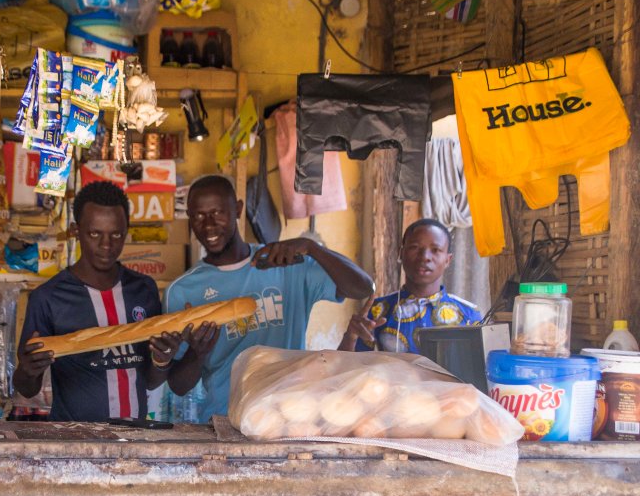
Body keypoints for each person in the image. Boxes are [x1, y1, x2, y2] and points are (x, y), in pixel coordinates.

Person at [163, 175, 374, 422]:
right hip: (225, 422)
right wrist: (197, 354)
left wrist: (312, 247)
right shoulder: (183, 291)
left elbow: (362, 288)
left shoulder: (286, 265)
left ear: (238, 209)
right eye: (198, 215)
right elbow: (178, 385)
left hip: (291, 417)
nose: (208, 224)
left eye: (218, 212)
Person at [13, 181, 184, 422]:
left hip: (135, 438)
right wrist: (28, 370)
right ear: (76, 230)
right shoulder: (48, 298)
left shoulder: (143, 289)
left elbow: (149, 379)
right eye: (95, 234)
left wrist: (162, 359)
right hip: (75, 442)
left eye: (116, 234)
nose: (106, 245)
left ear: (126, 230)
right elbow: (27, 388)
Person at [338, 218, 481, 354]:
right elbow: (344, 370)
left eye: (435, 250)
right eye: (415, 247)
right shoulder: (377, 311)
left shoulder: (468, 315)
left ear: (448, 260)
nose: (424, 256)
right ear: (401, 254)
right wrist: (351, 336)